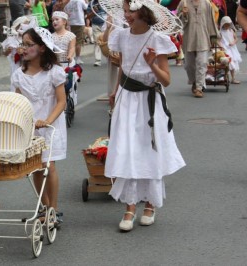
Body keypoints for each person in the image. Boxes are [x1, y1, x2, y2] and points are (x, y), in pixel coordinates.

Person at [102, 0, 186, 231]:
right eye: (125, 10)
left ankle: (150, 203)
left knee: (149, 149)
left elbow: (166, 80)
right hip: (127, 99)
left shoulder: (158, 39)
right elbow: (123, 67)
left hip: (149, 100)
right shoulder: (121, 35)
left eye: (131, 11)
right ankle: (130, 206)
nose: (126, 15)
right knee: (128, 148)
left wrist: (152, 65)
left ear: (144, 12)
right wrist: (116, 90)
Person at [11, 27, 67, 224]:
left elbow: (61, 101)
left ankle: (54, 208)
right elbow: (17, 101)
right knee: (34, 168)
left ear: (42, 48)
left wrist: (48, 121)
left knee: (48, 165)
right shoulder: (19, 74)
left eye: (28, 44)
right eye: (22, 44)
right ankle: (44, 207)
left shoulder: (55, 73)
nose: (24, 48)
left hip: (50, 126)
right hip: (30, 127)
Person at [177, 0, 219, 98]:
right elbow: (177, 22)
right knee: (188, 65)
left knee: (202, 62)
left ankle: (199, 88)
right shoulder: (183, 3)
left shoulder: (207, 3)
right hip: (189, 38)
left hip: (203, 37)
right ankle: (194, 82)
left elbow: (211, 20)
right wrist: (183, 15)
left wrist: (213, 36)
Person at [2, 16, 30, 91]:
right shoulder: (12, 38)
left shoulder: (29, 37)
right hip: (15, 65)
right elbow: (5, 53)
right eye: (23, 25)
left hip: (27, 64)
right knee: (16, 83)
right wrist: (7, 51)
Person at [219, 16, 242, 84]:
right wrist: (221, 46)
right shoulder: (220, 32)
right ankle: (225, 77)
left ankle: (233, 78)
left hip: (232, 49)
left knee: (233, 63)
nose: (227, 26)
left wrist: (233, 42)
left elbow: (236, 39)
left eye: (228, 25)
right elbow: (218, 40)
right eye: (226, 25)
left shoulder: (231, 30)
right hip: (225, 49)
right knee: (227, 63)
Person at [64, 0, 88, 64]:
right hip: (79, 22)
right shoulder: (80, 0)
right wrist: (86, 1)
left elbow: (65, 11)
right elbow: (86, 7)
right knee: (78, 42)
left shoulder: (66, 1)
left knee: (70, 41)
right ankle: (77, 58)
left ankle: (70, 57)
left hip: (70, 22)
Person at [86, 0, 106, 66]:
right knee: (97, 42)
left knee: (108, 42)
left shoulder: (106, 2)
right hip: (96, 24)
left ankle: (110, 59)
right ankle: (98, 61)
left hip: (106, 24)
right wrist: (94, 10)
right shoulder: (91, 3)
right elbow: (88, 16)